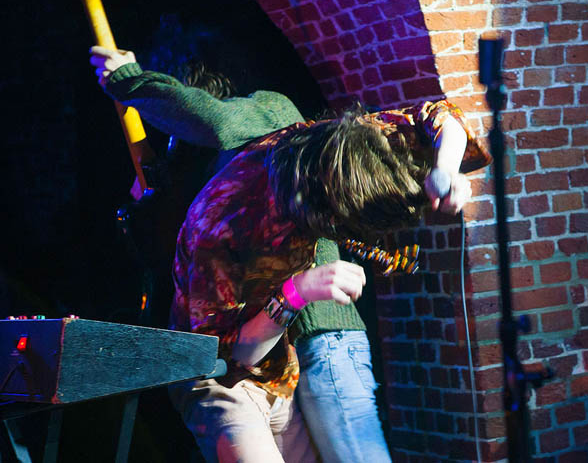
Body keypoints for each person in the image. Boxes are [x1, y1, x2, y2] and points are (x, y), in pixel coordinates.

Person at [90, 46, 491, 462]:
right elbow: (231, 355)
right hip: (235, 371)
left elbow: (439, 114)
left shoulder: (328, 142)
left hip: (284, 367)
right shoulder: (220, 228)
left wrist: (445, 167)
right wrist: (296, 293)